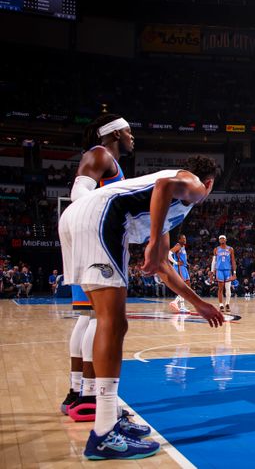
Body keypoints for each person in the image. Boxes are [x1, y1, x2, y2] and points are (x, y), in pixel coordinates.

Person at [58, 156, 224, 460]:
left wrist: (199, 304)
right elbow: (163, 185)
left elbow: (162, 267)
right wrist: (150, 243)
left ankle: (107, 418)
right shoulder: (194, 185)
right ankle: (104, 431)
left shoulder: (166, 208)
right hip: (101, 216)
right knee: (114, 322)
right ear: (209, 183)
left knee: (104, 319)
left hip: (76, 218)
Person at [60, 114, 133, 423]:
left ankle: (77, 392)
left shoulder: (109, 161)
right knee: (102, 319)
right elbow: (79, 194)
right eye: (128, 132)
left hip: (87, 239)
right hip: (94, 240)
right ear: (114, 133)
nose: (132, 137)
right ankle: (91, 396)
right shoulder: (100, 153)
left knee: (87, 316)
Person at [212, 235, 236, 312]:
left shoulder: (230, 249)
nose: (222, 240)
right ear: (219, 241)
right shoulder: (216, 249)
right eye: (220, 239)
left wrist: (234, 272)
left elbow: (233, 261)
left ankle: (227, 303)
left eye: (223, 238)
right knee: (220, 288)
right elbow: (214, 261)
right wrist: (212, 271)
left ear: (226, 240)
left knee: (228, 289)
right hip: (219, 270)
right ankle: (221, 305)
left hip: (227, 270)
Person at [168, 234, 190, 313]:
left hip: (183, 267)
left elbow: (181, 257)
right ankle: (176, 302)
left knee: (187, 285)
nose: (185, 239)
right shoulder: (178, 246)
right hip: (179, 268)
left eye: (185, 238)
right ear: (179, 240)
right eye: (183, 238)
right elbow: (168, 253)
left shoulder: (183, 247)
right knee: (184, 286)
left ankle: (181, 305)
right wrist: (176, 263)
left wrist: (186, 262)